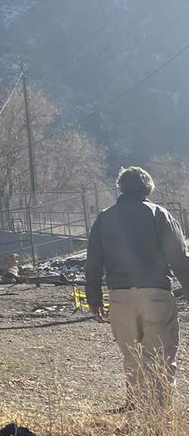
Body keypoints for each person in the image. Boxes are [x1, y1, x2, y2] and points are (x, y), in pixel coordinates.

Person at [86, 166, 189, 407]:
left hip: (120, 296)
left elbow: (93, 261)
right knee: (160, 357)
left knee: (132, 356)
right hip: (156, 294)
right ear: (148, 187)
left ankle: (136, 408)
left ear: (120, 187)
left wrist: (94, 299)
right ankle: (159, 415)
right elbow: (179, 257)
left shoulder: (105, 217)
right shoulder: (160, 214)